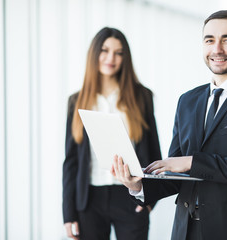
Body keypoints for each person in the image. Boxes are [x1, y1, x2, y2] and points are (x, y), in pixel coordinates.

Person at [111, 10, 227, 240]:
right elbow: (175, 174)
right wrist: (137, 185)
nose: (217, 49)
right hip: (185, 229)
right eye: (209, 40)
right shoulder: (188, 101)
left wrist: (191, 162)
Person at [62, 27, 162, 240]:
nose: (111, 58)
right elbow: (71, 161)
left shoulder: (141, 96)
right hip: (89, 199)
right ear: (94, 54)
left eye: (118, 53)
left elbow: (154, 151)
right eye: (105, 50)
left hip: (130, 195)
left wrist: (150, 200)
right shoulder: (76, 101)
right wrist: (68, 214)